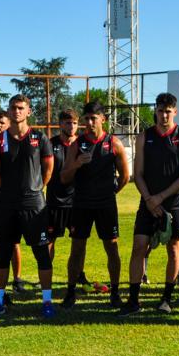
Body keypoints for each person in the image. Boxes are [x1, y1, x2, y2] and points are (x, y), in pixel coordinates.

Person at [0, 94, 55, 318]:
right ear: (9, 110)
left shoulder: (39, 137)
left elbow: (48, 169)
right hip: (7, 204)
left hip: (34, 204)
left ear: (28, 111)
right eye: (13, 107)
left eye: (21, 108)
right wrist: (10, 192)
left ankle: (47, 302)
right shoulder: (0, 139)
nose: (17, 111)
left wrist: (34, 189)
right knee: (3, 253)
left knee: (41, 253)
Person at [121, 92, 179, 316]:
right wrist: (149, 200)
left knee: (173, 249)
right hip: (148, 202)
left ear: (175, 112)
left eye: (168, 111)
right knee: (139, 247)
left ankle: (166, 299)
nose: (164, 115)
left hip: (174, 203)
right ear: (156, 111)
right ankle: (133, 301)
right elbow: (138, 173)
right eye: (160, 111)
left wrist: (160, 198)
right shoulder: (144, 136)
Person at [61, 102, 130, 309]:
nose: (90, 123)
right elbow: (64, 177)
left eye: (94, 118)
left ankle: (115, 293)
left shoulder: (113, 143)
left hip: (106, 205)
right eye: (87, 119)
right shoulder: (77, 144)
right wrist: (77, 163)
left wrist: (110, 194)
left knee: (112, 247)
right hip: (81, 204)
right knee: (77, 248)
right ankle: (71, 291)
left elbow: (125, 176)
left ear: (103, 119)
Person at [0, 110, 25, 293]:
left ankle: (17, 279)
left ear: (9, 124)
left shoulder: (13, 142)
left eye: (2, 122)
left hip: (10, 199)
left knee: (14, 242)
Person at [47, 110, 79, 260]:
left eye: (74, 123)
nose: (71, 126)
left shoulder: (82, 145)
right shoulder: (50, 144)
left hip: (77, 203)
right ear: (60, 124)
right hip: (55, 201)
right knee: (49, 240)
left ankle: (78, 274)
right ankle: (46, 275)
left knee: (79, 242)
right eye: (68, 123)